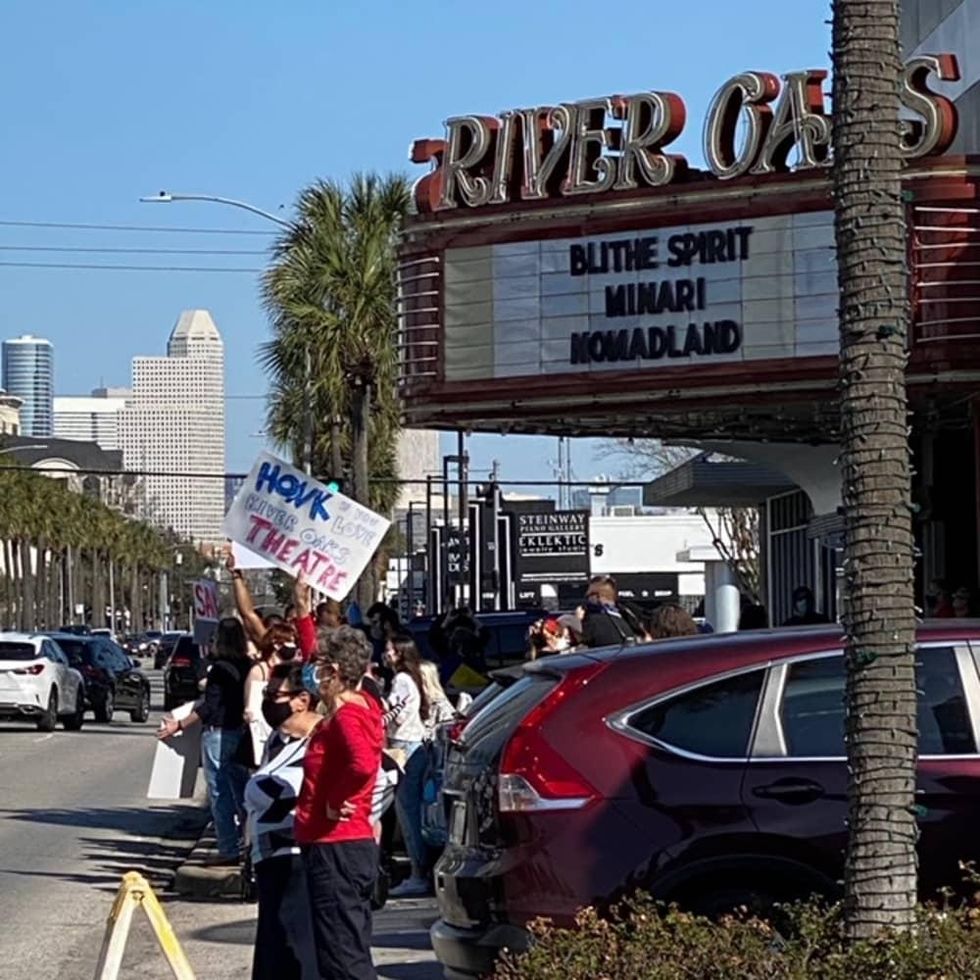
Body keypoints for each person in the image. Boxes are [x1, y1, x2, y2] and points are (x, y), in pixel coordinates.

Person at [295, 627, 385, 980]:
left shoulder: (348, 715)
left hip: (336, 844)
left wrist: (334, 800)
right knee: (345, 947)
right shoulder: (360, 707)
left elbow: (362, 763)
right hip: (345, 844)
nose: (313, 675)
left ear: (333, 671)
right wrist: (304, 612)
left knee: (343, 958)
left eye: (319, 667)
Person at [245, 663, 320, 980]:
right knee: (271, 944)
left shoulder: (320, 739)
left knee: (295, 946)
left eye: (274, 694)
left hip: (296, 856)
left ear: (302, 700)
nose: (268, 701)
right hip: (267, 857)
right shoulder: (279, 739)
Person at [159, 617, 250, 865]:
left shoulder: (219, 669)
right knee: (243, 794)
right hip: (242, 733)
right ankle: (250, 845)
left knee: (220, 794)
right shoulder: (248, 665)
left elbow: (209, 707)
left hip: (218, 733)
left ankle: (229, 849)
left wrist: (179, 724)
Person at [382, 634, 431, 898]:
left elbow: (397, 713)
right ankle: (418, 869)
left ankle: (417, 873)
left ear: (400, 653)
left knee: (407, 812)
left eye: (390, 650)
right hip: (414, 743)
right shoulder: (414, 677)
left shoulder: (401, 680)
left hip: (405, 746)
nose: (386, 654)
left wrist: (382, 709)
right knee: (410, 810)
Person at [244, 622, 300, 767]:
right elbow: (250, 704)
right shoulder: (259, 670)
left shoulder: (291, 669)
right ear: (276, 644)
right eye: (289, 641)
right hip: (262, 732)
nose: (293, 646)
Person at [581, 576, 641, 648]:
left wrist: (578, 620)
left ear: (597, 596)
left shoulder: (593, 622)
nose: (587, 599)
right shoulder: (627, 620)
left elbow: (578, 639)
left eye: (588, 595)